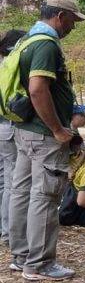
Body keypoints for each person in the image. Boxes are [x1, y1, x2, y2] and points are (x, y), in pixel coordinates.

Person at [8, 0, 85, 281]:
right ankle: (39, 263)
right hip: (43, 136)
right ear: (60, 16)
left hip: (25, 129)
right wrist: (57, 129)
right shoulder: (46, 44)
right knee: (45, 196)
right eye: (72, 21)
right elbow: (38, 89)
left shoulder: (27, 38)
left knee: (21, 191)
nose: (73, 27)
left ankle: (21, 255)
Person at [0, 28, 25, 246]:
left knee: (4, 181)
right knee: (12, 183)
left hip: (2, 130)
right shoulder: (9, 68)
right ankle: (9, 233)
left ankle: (5, 228)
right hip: (8, 127)